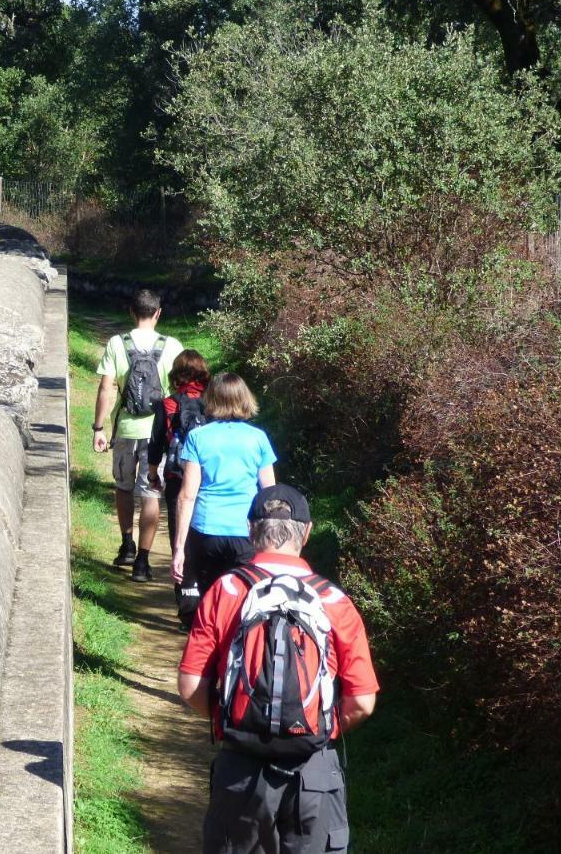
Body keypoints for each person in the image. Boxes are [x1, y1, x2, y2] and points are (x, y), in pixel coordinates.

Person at [178, 484, 379, 854]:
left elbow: (191, 686)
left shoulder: (225, 591)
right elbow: (362, 701)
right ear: (307, 531)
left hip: (241, 768)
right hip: (315, 770)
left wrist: (237, 719)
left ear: (251, 530)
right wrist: (316, 726)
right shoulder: (334, 600)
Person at [92, 289, 183, 582]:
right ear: (158, 313)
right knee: (151, 494)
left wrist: (98, 428)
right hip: (157, 432)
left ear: (132, 312)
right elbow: (180, 393)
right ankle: (143, 562)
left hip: (126, 429)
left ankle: (127, 544)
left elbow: (107, 389)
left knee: (123, 487)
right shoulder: (172, 346)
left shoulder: (118, 343)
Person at [170, 372, 276, 597]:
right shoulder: (259, 438)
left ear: (211, 399)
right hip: (246, 533)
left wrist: (179, 549)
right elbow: (270, 496)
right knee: (245, 602)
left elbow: (187, 496)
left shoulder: (198, 437)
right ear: (245, 398)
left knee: (211, 600)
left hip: (207, 531)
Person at [146, 349, 210, 627]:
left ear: (177, 375)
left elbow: (156, 441)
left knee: (179, 541)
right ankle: (207, 606)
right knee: (203, 537)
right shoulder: (212, 406)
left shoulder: (168, 404)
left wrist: (152, 473)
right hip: (205, 482)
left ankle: (186, 610)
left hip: (175, 479)